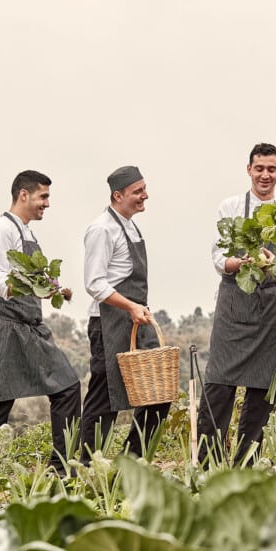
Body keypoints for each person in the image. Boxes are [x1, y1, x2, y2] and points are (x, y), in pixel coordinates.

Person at [198, 142, 276, 467]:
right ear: (249, 170)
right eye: (259, 168)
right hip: (232, 307)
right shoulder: (230, 207)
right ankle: (208, 465)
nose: (265, 175)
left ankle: (246, 465)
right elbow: (217, 257)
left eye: (271, 169)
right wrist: (240, 262)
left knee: (260, 395)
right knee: (217, 388)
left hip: (268, 312)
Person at [0, 170, 82, 476]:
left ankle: (62, 469)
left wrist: (52, 287)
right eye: (43, 196)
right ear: (24, 194)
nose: (47, 203)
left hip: (30, 326)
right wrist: (27, 286)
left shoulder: (27, 233)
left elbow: (31, 278)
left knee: (67, 387)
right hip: (4, 326)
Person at [80, 166, 172, 463]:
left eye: (145, 188)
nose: (145, 196)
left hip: (136, 323)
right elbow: (94, 284)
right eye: (138, 191)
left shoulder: (131, 225)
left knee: (159, 395)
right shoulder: (101, 229)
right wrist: (131, 306)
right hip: (108, 324)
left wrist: (138, 310)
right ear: (118, 196)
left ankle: (130, 462)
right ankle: (82, 467)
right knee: (105, 400)